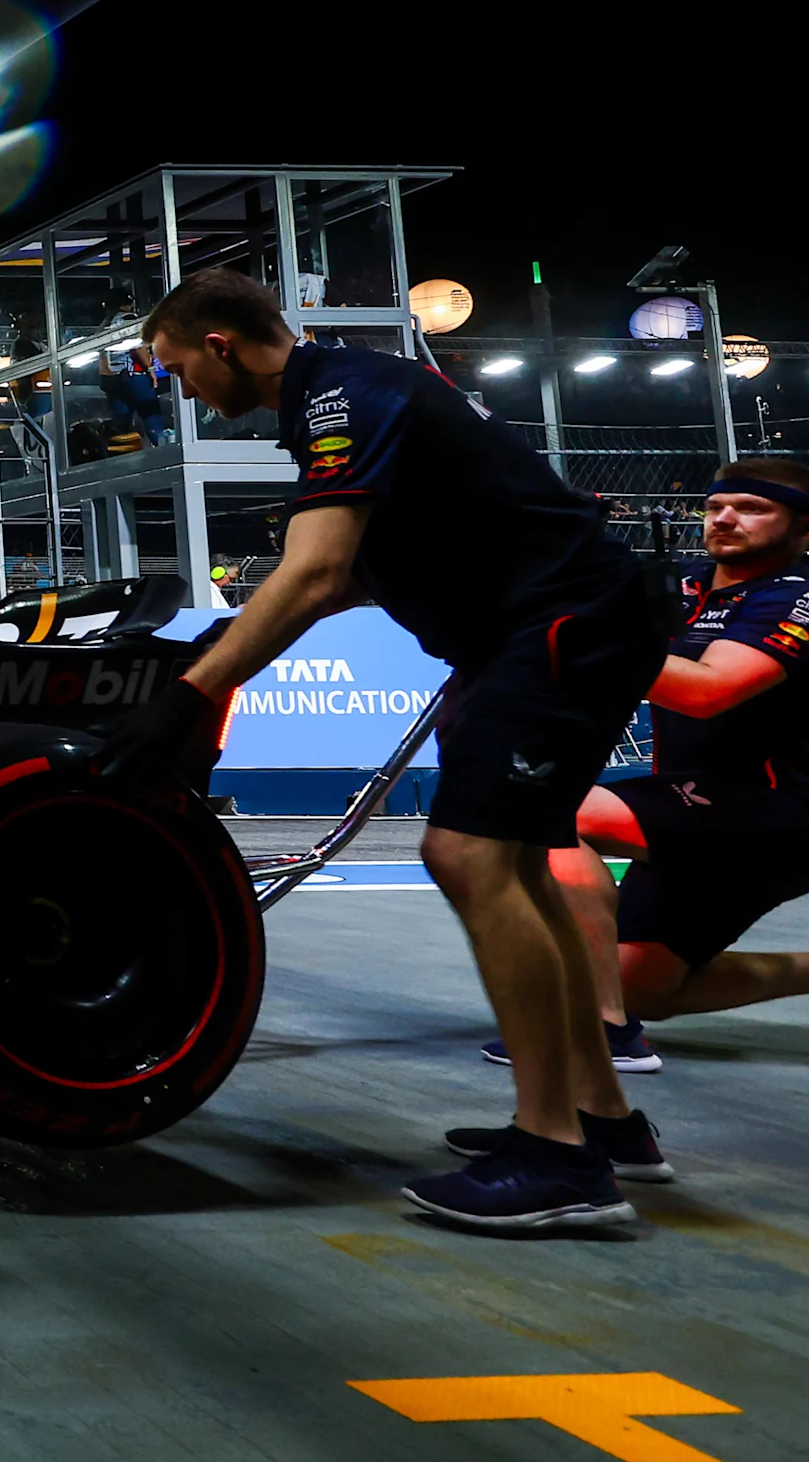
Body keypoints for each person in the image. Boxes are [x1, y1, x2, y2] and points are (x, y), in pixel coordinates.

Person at [123, 268, 658, 1233]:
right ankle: (602, 1123)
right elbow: (340, 582)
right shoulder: (345, 400)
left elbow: (318, 571)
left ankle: (558, 1159)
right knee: (523, 871)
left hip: (559, 625)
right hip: (543, 627)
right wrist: (206, 658)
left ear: (219, 344)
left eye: (176, 371)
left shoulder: (340, 395)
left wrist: (194, 696)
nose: (183, 394)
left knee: (467, 855)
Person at [494, 459, 809, 1115]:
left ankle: (602, 1028)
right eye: (716, 505)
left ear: (808, 527)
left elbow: (706, 691)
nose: (724, 517)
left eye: (751, 507)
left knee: (558, 811)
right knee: (645, 986)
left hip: (803, 806)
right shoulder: (683, 586)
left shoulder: (804, 600)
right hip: (702, 806)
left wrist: (590, 644)